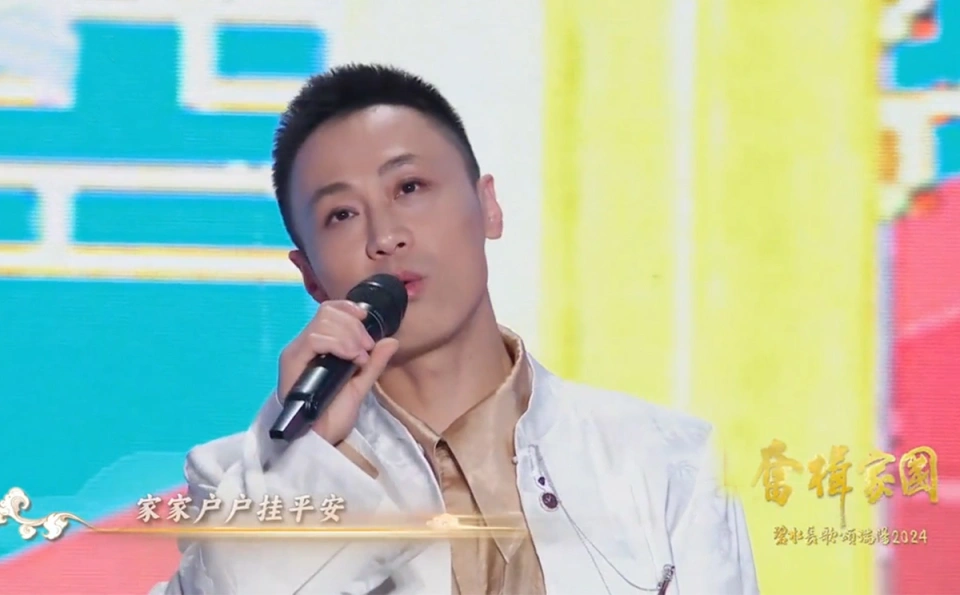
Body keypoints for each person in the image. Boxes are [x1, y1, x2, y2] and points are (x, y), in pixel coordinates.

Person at [152, 63, 759, 595]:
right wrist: (313, 457)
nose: (385, 236)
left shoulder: (665, 462)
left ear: (487, 205)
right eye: (342, 214)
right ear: (309, 274)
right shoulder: (233, 484)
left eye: (410, 187)